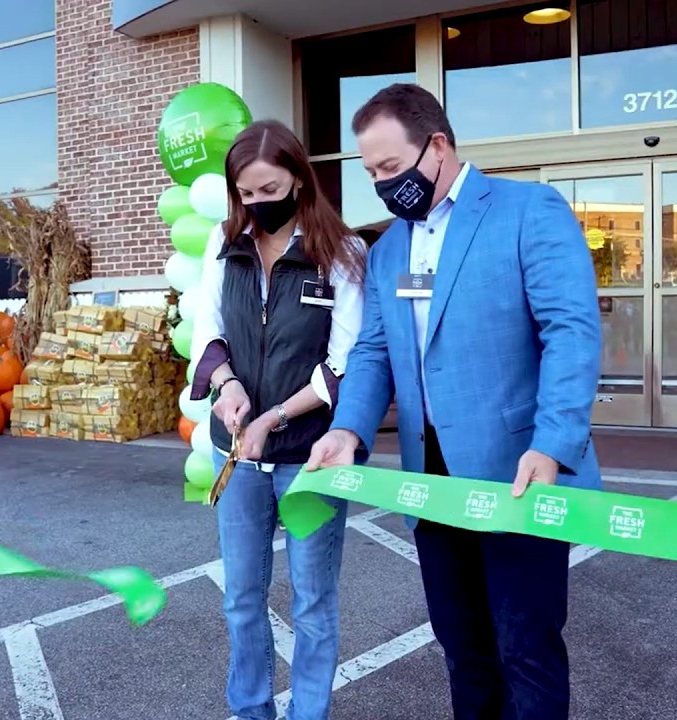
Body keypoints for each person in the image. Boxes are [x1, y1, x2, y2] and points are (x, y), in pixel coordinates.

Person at [306, 83, 603, 719]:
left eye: (390, 166)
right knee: (463, 650)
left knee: (526, 649)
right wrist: (348, 429)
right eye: (371, 173)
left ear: (437, 146)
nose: (382, 184)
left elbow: (570, 332)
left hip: (519, 471)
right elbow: (373, 351)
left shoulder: (528, 210)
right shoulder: (388, 249)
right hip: (430, 481)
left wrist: (553, 444)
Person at [188, 119, 366, 720]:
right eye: (245, 192)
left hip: (312, 457)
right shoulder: (223, 244)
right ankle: (251, 710)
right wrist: (228, 384)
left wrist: (275, 417)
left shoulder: (341, 254)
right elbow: (208, 330)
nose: (257, 202)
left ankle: (308, 714)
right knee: (241, 597)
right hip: (236, 455)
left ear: (298, 180)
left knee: (313, 602)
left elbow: (344, 363)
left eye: (269, 189)